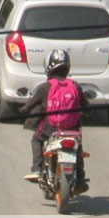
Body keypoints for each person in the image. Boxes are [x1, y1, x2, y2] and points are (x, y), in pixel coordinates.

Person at [20, 49, 90, 193]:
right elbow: (87, 106)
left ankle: (37, 169)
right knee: (78, 148)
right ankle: (81, 179)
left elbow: (30, 105)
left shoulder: (45, 87)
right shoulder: (75, 86)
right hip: (72, 130)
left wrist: (22, 110)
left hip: (50, 129)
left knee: (36, 139)